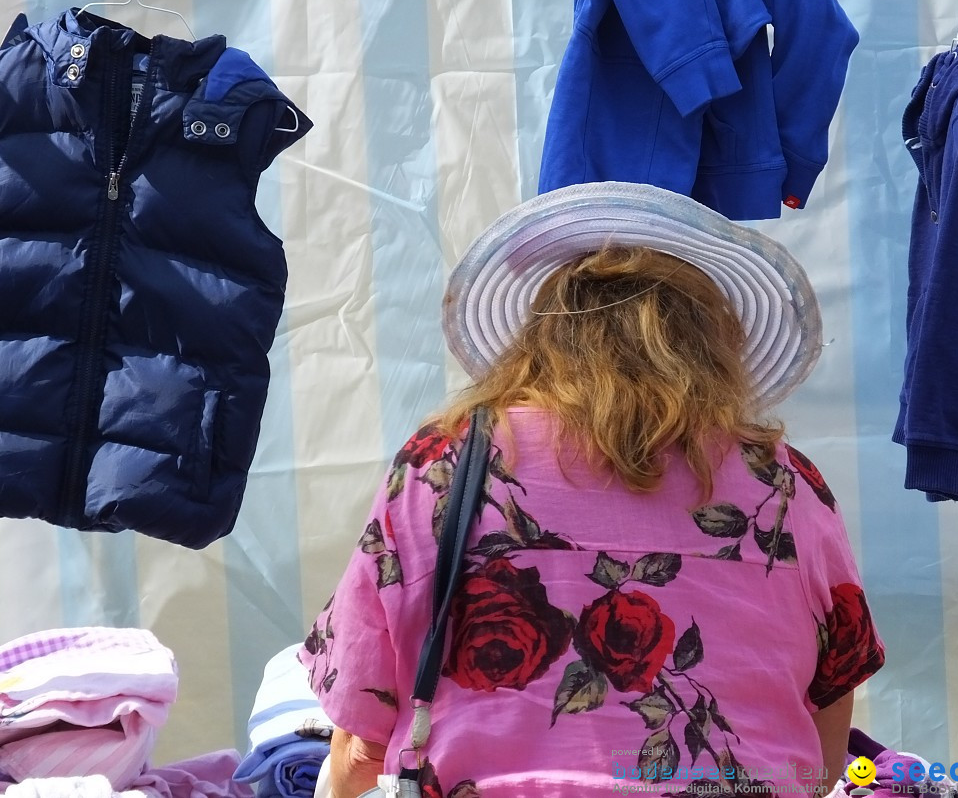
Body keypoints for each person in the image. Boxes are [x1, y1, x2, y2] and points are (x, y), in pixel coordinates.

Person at [299, 182, 885, 797]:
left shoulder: (441, 468)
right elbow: (827, 728)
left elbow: (364, 736)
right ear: (713, 346)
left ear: (538, 338)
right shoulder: (786, 487)